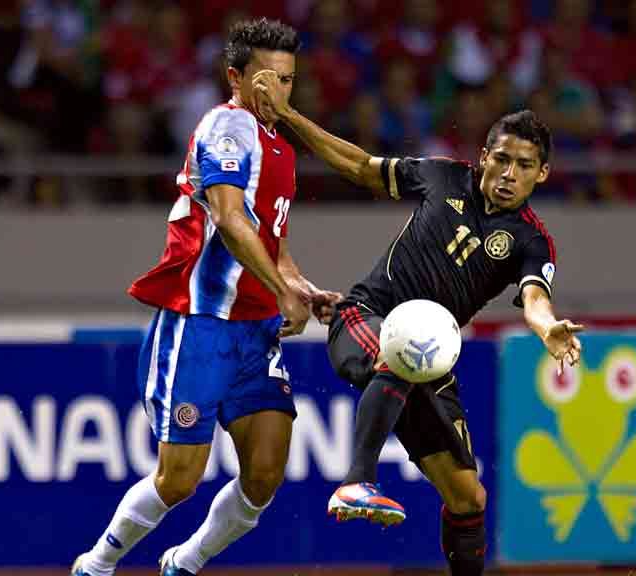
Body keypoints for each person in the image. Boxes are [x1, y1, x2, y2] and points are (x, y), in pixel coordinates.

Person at [254, 72, 584, 576]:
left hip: (427, 362)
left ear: (541, 174)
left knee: (469, 496)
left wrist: (548, 327)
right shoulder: (443, 177)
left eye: (523, 165)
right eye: (501, 158)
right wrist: (289, 115)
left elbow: (535, 299)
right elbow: (361, 166)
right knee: (405, 347)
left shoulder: (530, 242)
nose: (508, 173)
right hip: (363, 319)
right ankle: (356, 480)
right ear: (483, 155)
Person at [71, 18, 341, 576]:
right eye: (268, 79)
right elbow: (228, 218)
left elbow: (272, 244)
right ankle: (96, 566)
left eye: (288, 81)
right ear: (236, 77)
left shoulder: (282, 150)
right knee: (179, 480)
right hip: (200, 327)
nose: (279, 92)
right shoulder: (226, 127)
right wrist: (278, 290)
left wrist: (300, 289)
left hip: (255, 331)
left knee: (265, 474)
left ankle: (184, 564)